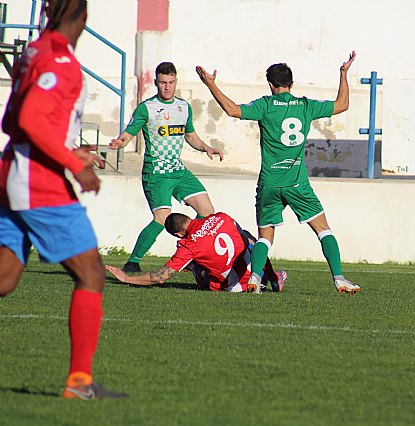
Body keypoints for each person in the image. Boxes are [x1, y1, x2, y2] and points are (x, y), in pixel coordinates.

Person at [0, 0, 127, 400]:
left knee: (4, 279)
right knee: (91, 275)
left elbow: (10, 120)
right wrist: (75, 162)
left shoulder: (34, 49)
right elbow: (31, 119)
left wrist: (69, 146)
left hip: (11, 172)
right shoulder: (61, 61)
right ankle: (80, 383)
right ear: (84, 16)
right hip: (39, 182)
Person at [195, 52, 360, 295]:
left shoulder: (265, 105)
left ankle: (255, 278)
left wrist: (211, 84)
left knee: (265, 238)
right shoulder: (305, 106)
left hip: (269, 183)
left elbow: (232, 110)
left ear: (271, 85)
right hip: (296, 183)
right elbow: (343, 104)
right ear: (291, 84)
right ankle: (339, 279)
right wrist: (343, 74)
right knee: (324, 230)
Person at [109, 62, 223, 273]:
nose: (167, 87)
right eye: (163, 83)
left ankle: (190, 252)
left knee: (207, 212)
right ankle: (133, 262)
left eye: (171, 82)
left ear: (176, 82)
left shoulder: (183, 107)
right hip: (156, 174)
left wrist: (206, 147)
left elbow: (190, 136)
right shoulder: (147, 108)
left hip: (178, 171)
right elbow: (129, 132)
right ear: (156, 83)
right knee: (161, 218)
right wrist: (120, 142)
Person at [106, 212, 287, 293]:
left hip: (233, 286)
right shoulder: (221, 216)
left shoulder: (188, 245)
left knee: (196, 264)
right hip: (255, 273)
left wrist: (126, 278)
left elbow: (160, 277)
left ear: (178, 234)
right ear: (188, 218)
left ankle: (193, 265)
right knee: (251, 240)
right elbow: (246, 240)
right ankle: (273, 278)